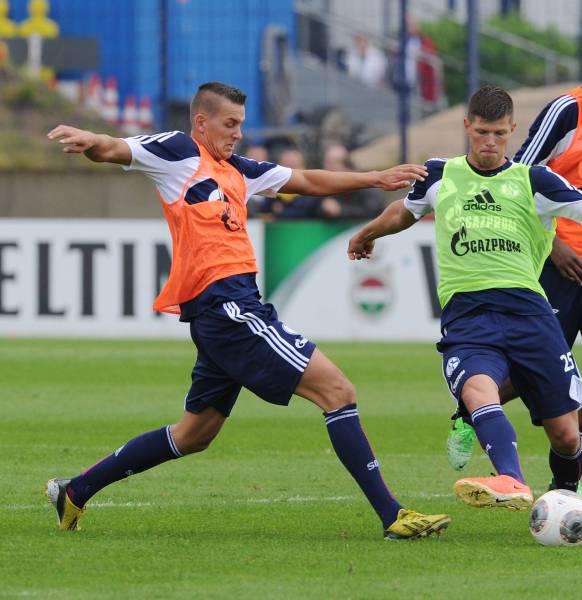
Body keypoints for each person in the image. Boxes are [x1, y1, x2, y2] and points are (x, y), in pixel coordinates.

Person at [44, 81, 450, 540]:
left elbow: (308, 181)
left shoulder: (237, 169)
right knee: (338, 390)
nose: (237, 133)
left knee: (193, 434)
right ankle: (392, 515)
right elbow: (118, 149)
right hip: (228, 308)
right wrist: (91, 141)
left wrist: (375, 178)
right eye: (229, 123)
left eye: (241, 124)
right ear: (201, 123)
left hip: (227, 311)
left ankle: (76, 490)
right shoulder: (178, 152)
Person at [347, 85, 582, 513]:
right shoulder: (440, 174)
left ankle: (568, 505)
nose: (489, 142)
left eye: (499, 134)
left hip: (529, 314)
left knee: (566, 435)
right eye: (482, 132)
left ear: (512, 131)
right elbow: (404, 211)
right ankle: (511, 478)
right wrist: (367, 233)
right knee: (478, 390)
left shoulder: (533, 180)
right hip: (469, 314)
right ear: (467, 127)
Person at [445, 30, 582, 524]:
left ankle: (572, 473)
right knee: (532, 372)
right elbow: (516, 178)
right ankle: (467, 414)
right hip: (556, 263)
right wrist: (556, 244)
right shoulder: (566, 111)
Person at [319, 143, 387, 220]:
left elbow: (371, 212)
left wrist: (341, 211)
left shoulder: (368, 186)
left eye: (333, 163)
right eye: (326, 162)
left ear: (348, 165)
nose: (328, 167)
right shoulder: (325, 188)